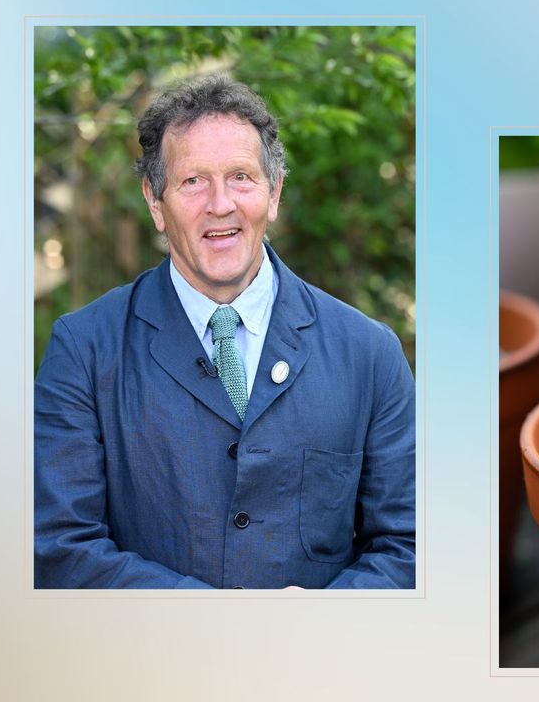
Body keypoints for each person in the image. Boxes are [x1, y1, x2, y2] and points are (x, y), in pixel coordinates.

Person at [34, 76, 415, 589]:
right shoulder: (84, 349)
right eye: (193, 181)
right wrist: (213, 621)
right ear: (155, 201)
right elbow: (60, 547)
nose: (220, 204)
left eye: (241, 177)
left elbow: (409, 546)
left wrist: (317, 620)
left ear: (274, 192)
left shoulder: (369, 354)